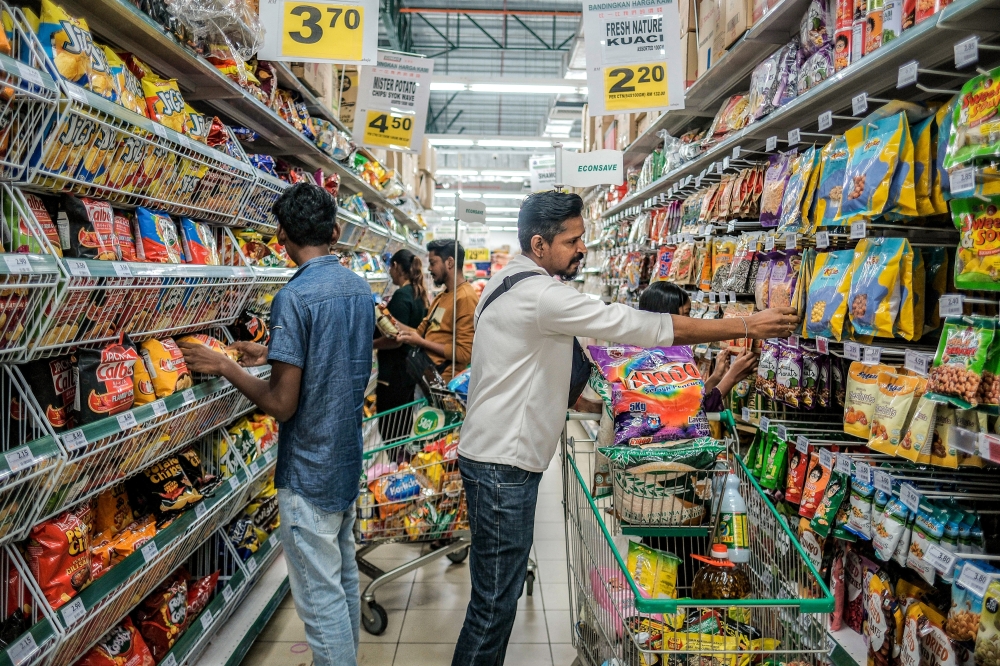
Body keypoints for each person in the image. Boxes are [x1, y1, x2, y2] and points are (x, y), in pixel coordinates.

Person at [452, 191, 800, 666]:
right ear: (539, 244)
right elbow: (637, 325)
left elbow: (537, 362)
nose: (582, 250)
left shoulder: (505, 281)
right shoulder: (542, 296)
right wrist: (744, 323)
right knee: (494, 604)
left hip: (494, 457)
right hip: (502, 466)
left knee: (497, 595)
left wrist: (596, 404)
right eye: (572, 241)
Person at [178, 183, 372, 666]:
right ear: (333, 231)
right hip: (346, 459)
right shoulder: (358, 288)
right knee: (343, 578)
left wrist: (226, 366)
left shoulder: (295, 296)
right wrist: (273, 353)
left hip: (308, 468)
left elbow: (283, 405)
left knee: (319, 598)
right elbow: (332, 357)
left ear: (282, 235)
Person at [575, 281, 759, 443]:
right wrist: (732, 377)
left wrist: (718, 376)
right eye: (686, 314)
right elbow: (691, 412)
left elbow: (688, 397)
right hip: (660, 458)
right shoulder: (663, 357)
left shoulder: (631, 351)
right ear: (670, 315)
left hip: (638, 455)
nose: (691, 322)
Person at [396, 239, 478, 382]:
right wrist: (387, 320)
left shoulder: (465, 298)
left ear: (450, 263)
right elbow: (421, 332)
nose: (429, 269)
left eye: (433, 263)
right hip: (428, 378)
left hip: (444, 386)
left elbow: (465, 353)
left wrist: (421, 342)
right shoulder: (442, 296)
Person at [373, 249, 429, 440]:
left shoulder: (401, 296)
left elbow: (394, 338)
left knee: (390, 429)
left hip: (394, 373)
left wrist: (370, 344)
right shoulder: (418, 293)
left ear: (396, 266)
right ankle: (401, 463)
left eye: (390, 267)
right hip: (409, 371)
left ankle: (396, 465)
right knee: (402, 425)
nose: (389, 272)